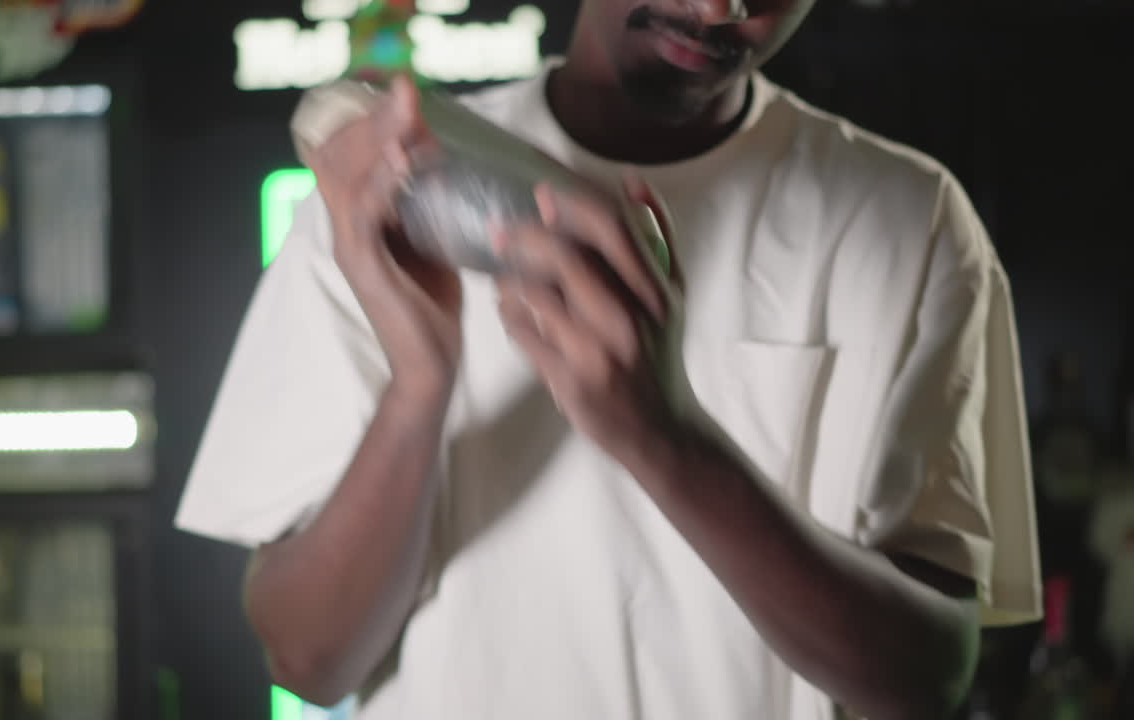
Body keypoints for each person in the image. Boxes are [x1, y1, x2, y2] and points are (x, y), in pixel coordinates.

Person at [175, 0, 1043, 717]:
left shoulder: (908, 219)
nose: (718, 9)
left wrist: (664, 438)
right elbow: (307, 660)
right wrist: (420, 384)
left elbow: (926, 681)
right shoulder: (394, 190)